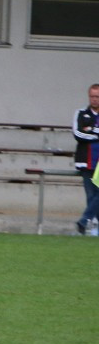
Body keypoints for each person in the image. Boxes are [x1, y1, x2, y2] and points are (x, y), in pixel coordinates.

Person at [72, 84, 99, 234]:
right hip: (87, 161)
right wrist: (96, 134)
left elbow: (85, 132)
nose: (94, 100)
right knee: (91, 195)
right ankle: (91, 226)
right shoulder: (81, 113)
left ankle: (84, 221)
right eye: (92, 96)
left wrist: (91, 130)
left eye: (97, 97)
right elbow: (78, 134)